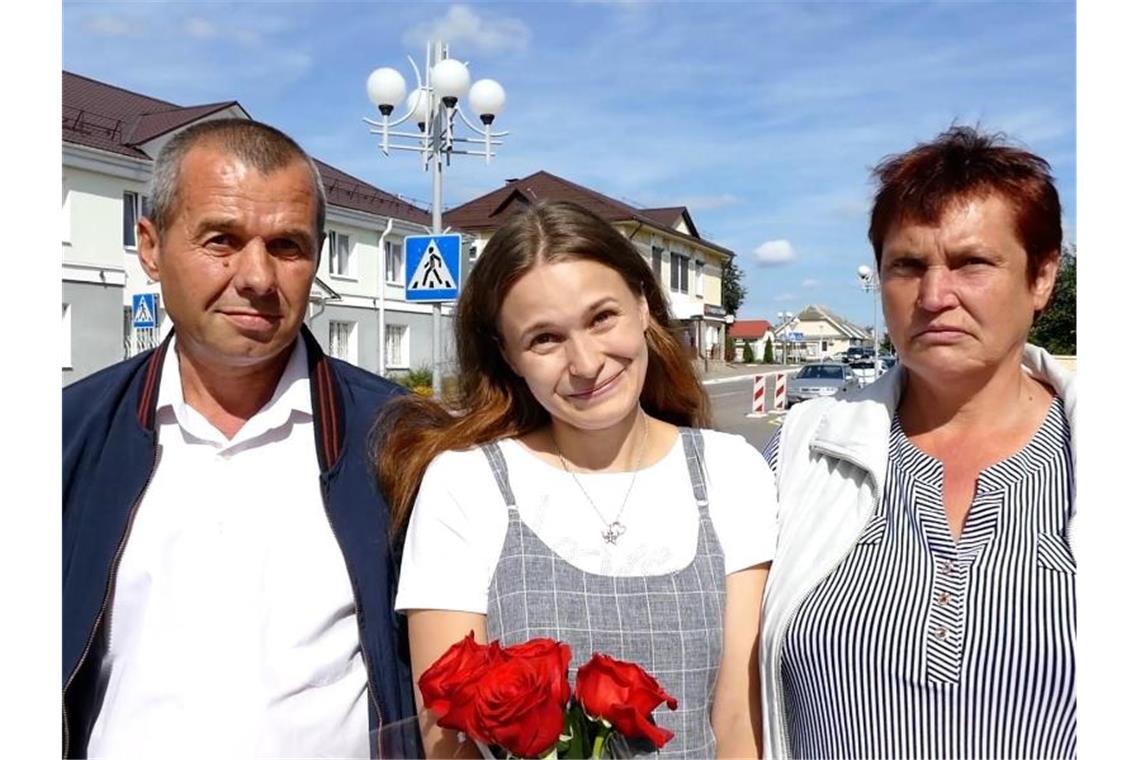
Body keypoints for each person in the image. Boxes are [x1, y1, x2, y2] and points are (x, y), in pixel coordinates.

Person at [62, 119, 418, 758]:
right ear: (150, 246)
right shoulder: (65, 436)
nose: (257, 277)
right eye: (221, 240)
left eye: (287, 246)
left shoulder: (399, 439)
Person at [378, 201, 776, 758]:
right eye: (545, 339)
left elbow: (738, 717)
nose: (586, 362)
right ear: (509, 356)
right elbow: (447, 736)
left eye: (601, 317)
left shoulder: (730, 471)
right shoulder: (466, 486)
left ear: (643, 306)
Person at [760, 126, 1075, 759]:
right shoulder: (801, 455)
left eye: (972, 263)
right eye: (907, 266)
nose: (935, 297)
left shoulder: (1094, 457)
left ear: (1041, 278)